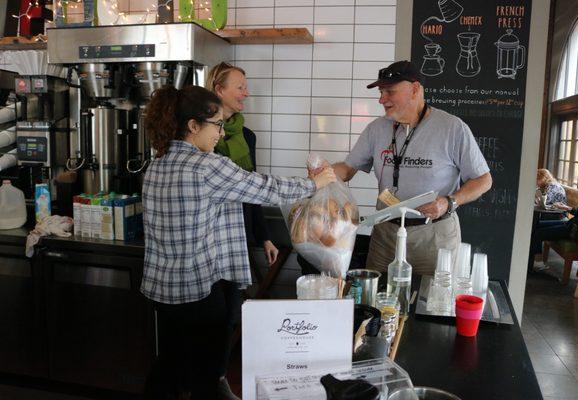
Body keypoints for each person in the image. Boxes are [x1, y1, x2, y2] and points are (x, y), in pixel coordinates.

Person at [140, 85, 336, 399]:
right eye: (216, 124)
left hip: (163, 288)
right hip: (200, 289)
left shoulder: (156, 165)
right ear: (193, 126)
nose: (220, 133)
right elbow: (264, 188)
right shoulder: (207, 166)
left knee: (170, 362)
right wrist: (314, 183)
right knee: (206, 372)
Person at [331, 60, 492, 276]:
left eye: (389, 91)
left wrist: (449, 202)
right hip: (385, 236)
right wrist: (322, 174)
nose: (381, 99)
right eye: (381, 92)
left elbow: (483, 180)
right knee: (376, 301)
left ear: (414, 89)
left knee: (431, 305)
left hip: (435, 236)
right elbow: (347, 169)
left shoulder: (452, 128)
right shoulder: (376, 129)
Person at [206, 62, 279, 266]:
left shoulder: (247, 137)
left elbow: (253, 188)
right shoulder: (199, 136)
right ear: (219, 90)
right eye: (240, 88)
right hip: (208, 234)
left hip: (239, 233)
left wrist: (264, 237)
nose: (246, 94)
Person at [530, 165, 578, 272]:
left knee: (538, 233)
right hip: (571, 223)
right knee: (536, 225)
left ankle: (537, 263)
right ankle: (532, 260)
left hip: (577, 229)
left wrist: (567, 208)